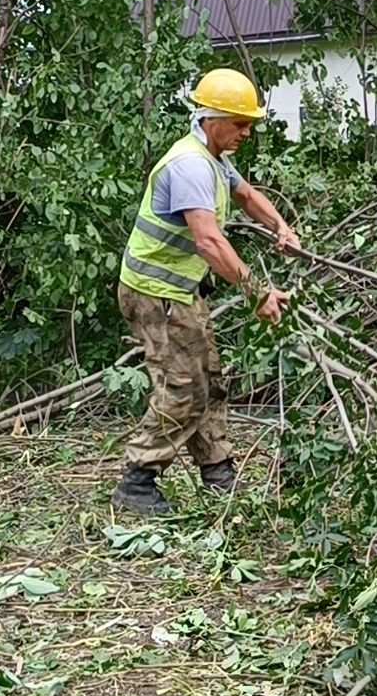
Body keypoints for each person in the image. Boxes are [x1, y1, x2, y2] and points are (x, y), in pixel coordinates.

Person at [113, 67, 301, 515]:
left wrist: (280, 226)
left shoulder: (214, 157)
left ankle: (217, 471)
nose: (245, 133)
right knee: (183, 388)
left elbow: (247, 195)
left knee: (209, 381)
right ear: (210, 118)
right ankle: (136, 482)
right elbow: (210, 242)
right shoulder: (191, 165)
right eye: (239, 124)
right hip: (154, 295)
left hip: (179, 292)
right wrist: (258, 293)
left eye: (249, 125)